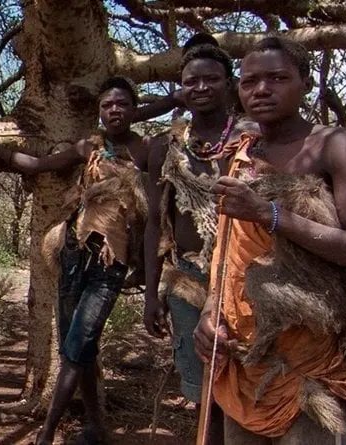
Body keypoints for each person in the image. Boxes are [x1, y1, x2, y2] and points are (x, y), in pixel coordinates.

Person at [196, 35, 346, 444]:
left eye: (278, 78)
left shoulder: (332, 145)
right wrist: (211, 314)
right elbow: (227, 251)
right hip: (244, 360)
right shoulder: (241, 151)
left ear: (305, 83)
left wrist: (269, 214)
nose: (261, 90)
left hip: (306, 362)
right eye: (249, 81)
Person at [21, 76, 157, 445]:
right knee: (79, 346)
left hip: (110, 263)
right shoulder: (89, 147)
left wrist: (147, 275)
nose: (114, 111)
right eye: (107, 105)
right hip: (73, 254)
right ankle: (97, 427)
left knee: (76, 347)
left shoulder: (146, 150)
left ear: (134, 108)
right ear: (99, 111)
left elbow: (153, 218)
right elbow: (38, 164)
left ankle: (46, 435)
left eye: (123, 104)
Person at [142, 33, 244, 412]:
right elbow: (156, 223)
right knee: (203, 390)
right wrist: (153, 294)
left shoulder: (250, 139)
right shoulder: (165, 147)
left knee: (246, 379)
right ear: (181, 89)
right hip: (188, 279)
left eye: (212, 79)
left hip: (245, 278)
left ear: (230, 84)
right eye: (191, 81)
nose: (201, 87)